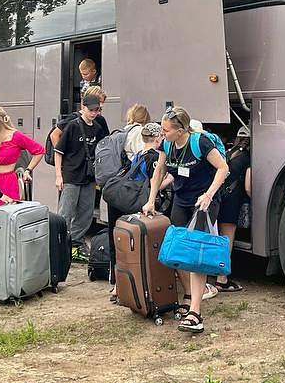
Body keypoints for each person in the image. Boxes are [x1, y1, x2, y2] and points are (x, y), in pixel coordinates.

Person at [142, 106, 230, 334]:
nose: (162, 134)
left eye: (166, 130)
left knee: (195, 255)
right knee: (179, 251)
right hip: (181, 200)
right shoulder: (167, 144)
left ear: (181, 130)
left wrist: (209, 194)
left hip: (204, 202)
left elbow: (223, 168)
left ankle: (195, 312)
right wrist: (151, 200)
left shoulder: (200, 143)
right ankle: (191, 294)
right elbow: (158, 172)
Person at [105, 120, 165, 302]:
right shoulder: (155, 157)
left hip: (121, 202)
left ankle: (118, 285)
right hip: (138, 203)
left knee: (121, 245)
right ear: (157, 138)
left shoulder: (137, 155)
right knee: (141, 246)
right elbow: (155, 181)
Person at [55, 87, 109, 258]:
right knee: (66, 211)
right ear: (83, 107)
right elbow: (59, 151)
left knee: (86, 213)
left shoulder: (99, 126)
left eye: (97, 110)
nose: (94, 113)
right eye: (91, 110)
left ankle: (76, 241)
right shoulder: (72, 125)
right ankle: (60, 242)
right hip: (71, 175)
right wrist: (59, 175)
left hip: (89, 176)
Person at [0, 103, 43, 213]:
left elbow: (39, 150)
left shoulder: (15, 135)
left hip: (8, 182)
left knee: (7, 216)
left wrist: (28, 170)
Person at [213, 126, 252, 293]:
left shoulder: (227, 152)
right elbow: (249, 187)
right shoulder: (248, 157)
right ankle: (222, 279)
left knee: (218, 236)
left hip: (219, 197)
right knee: (227, 240)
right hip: (232, 200)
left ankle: (214, 271)